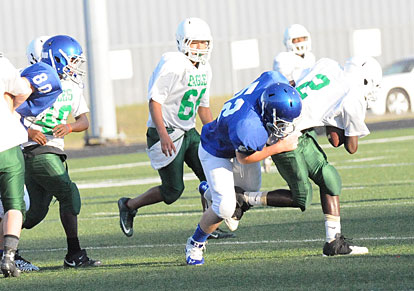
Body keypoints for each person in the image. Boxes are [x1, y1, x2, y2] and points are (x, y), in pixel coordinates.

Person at [238, 56, 383, 256]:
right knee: (302, 197)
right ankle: (245, 199)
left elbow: (291, 85)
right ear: (367, 81)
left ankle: (333, 242)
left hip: (300, 130)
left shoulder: (328, 64)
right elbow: (349, 146)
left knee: (329, 178)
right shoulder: (354, 94)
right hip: (284, 134)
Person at [117, 17, 236, 239]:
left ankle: (208, 225)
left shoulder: (205, 68)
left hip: (189, 130)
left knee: (209, 174)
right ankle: (129, 205)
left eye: (204, 43)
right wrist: (163, 134)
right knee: (173, 191)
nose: (200, 48)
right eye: (195, 42)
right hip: (166, 131)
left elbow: (203, 107)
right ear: (183, 42)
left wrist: (213, 135)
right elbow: (155, 101)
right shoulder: (172, 64)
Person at [185, 71, 303, 265]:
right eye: (281, 122)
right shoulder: (249, 126)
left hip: (234, 138)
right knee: (225, 208)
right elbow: (244, 158)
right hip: (215, 149)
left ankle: (210, 191)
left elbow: (278, 79)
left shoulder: (274, 82)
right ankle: (195, 243)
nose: (286, 127)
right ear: (267, 112)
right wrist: (279, 147)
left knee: (248, 192)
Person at [20, 35, 101, 268]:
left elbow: (83, 121)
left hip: (54, 150)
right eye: (72, 60)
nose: (76, 66)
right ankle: (74, 254)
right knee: (68, 193)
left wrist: (70, 126)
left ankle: (7, 248)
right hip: (33, 150)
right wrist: (28, 131)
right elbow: (10, 113)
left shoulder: (72, 85)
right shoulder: (32, 82)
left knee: (33, 214)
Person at [0, 52, 62, 277]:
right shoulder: (3, 64)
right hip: (6, 143)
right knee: (15, 205)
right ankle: (8, 257)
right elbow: (24, 90)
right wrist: (11, 111)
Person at [263, 24, 316, 173]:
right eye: (296, 39)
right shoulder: (283, 59)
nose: (300, 42)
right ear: (288, 42)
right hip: (288, 103)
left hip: (305, 103)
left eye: (303, 38)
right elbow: (286, 84)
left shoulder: (311, 57)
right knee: (283, 132)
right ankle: (268, 150)